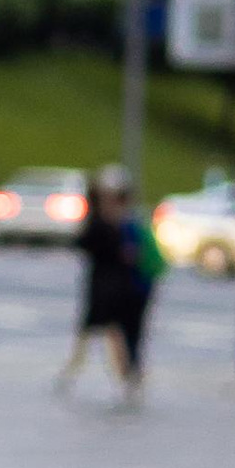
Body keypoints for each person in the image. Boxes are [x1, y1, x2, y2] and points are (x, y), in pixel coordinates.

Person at [58, 167, 149, 403]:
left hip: (106, 286)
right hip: (112, 284)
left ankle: (121, 377)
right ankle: (123, 377)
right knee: (103, 333)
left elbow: (83, 243)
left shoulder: (105, 223)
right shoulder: (117, 222)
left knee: (103, 332)